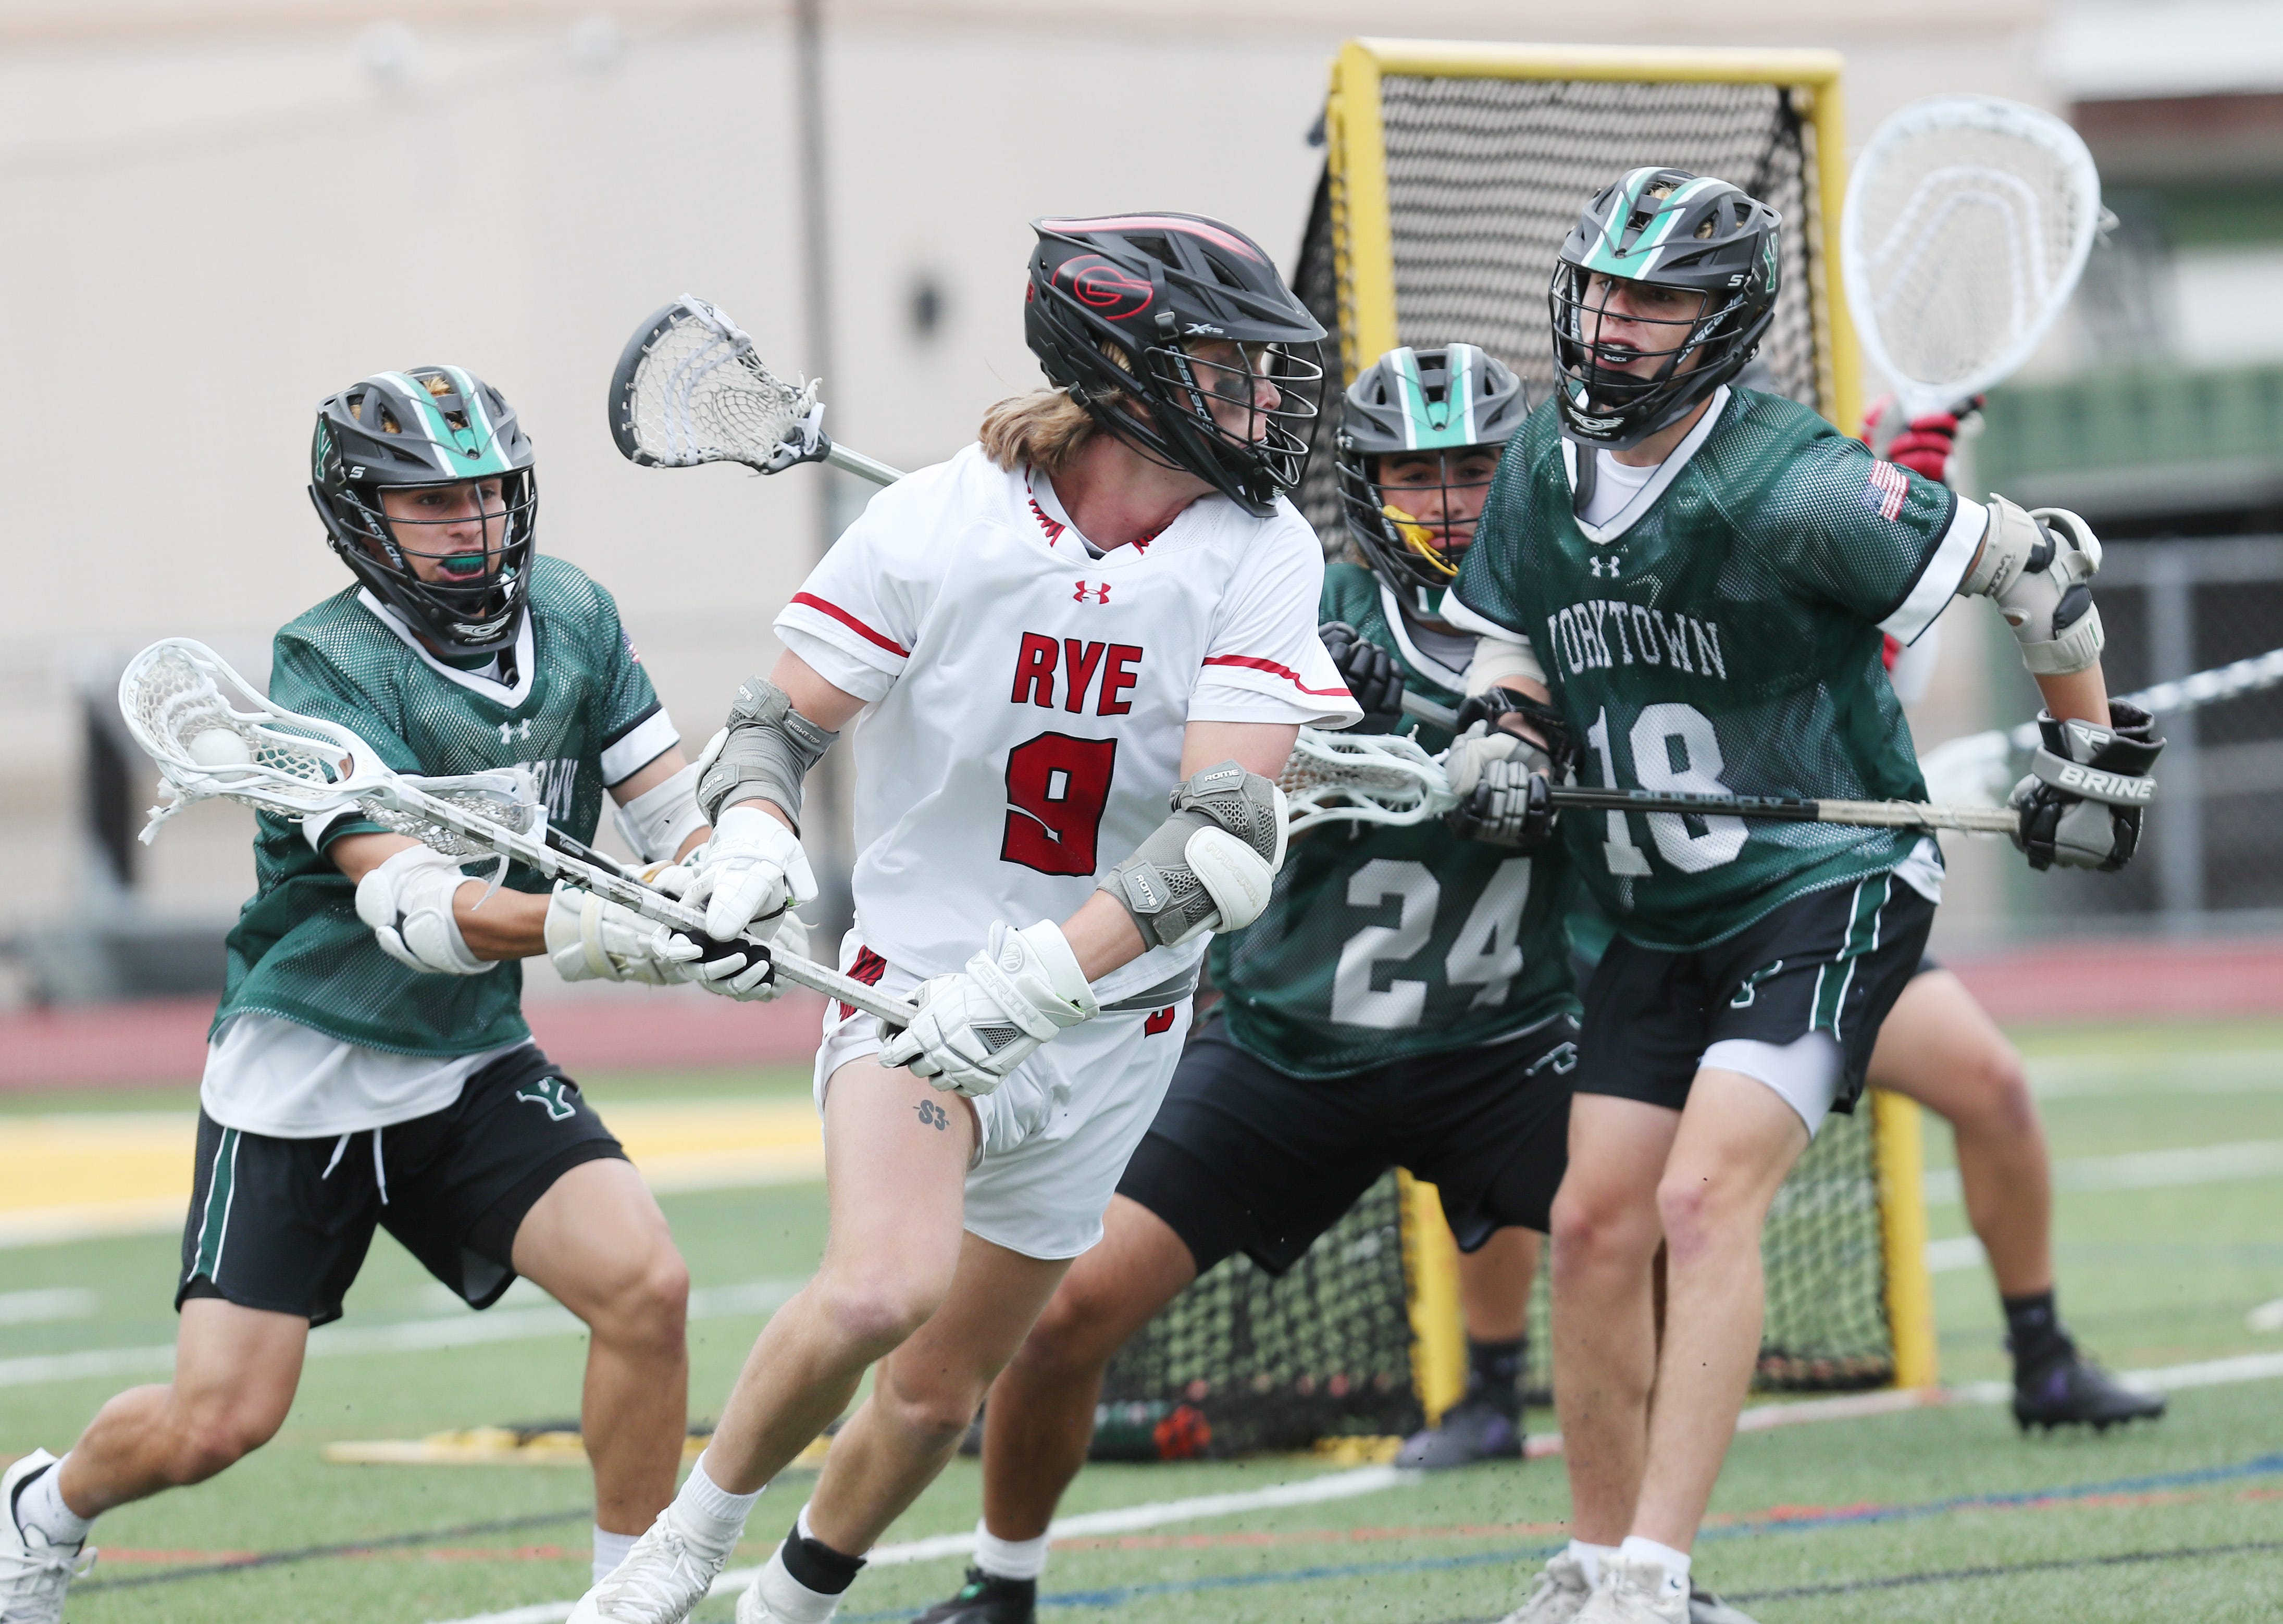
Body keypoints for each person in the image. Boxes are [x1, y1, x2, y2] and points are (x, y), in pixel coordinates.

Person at [566, 212, 1356, 1624]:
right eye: (1231, 368)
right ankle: (678, 1549)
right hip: (913, 982)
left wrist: (1044, 978)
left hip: (1111, 1016)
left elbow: (1224, 834)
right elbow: (768, 727)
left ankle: (790, 1601)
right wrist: (747, 837)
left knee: (939, 1386)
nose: (1263, 402)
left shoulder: (1261, 547)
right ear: (1127, 369)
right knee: (880, 1290)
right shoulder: (939, 518)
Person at [1443, 169, 2160, 1624]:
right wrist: (1501, 734)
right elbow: (1508, 637)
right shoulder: (1534, 464)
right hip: (1648, 906)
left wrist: (2083, 754)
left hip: (1817, 883)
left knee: (1704, 1199)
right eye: (1602, 293)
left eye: (1651, 302)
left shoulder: (1793, 478)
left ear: (1721, 322)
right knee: (1591, 1222)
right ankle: (1589, 1563)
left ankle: (1658, 1573)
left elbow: (2034, 570)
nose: (1612, 327)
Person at [0, 366, 733, 1624]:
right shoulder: (322, 662)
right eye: (429, 504)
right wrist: (603, 927)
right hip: (307, 1069)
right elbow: (412, 908)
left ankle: (628, 1600)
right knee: (216, 1420)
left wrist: (730, 886)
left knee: (646, 1286)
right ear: (358, 515)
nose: (470, 527)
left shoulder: (574, 613)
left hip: (465, 1062)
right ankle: (42, 1506)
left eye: (486, 497)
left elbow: (673, 811)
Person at [902, 342, 1585, 1624]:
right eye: (1414, 471)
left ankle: (1634, 1564)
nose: (1445, 500)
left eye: (1473, 470)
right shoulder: (1292, 602)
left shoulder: (1573, 623)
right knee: (1067, 1310)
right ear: (1365, 484)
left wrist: (1543, 760)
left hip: (1506, 1037)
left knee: (1644, 1245)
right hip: (1287, 1042)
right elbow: (1171, 765)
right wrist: (1308, 713)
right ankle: (1001, 1584)